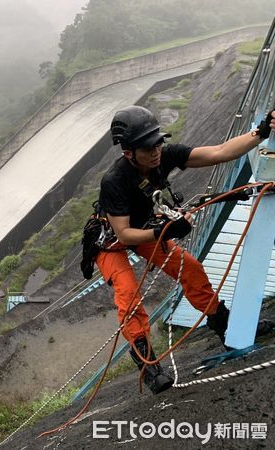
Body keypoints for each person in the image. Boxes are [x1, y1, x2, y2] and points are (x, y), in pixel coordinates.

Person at [94, 105, 275, 394]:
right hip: (112, 242)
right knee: (128, 294)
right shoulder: (114, 181)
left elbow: (219, 152)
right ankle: (146, 362)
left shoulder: (164, 156)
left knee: (191, 269)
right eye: (147, 147)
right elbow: (124, 234)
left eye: (158, 143)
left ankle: (225, 326)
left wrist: (261, 132)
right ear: (129, 152)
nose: (156, 151)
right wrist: (164, 231)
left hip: (148, 229)